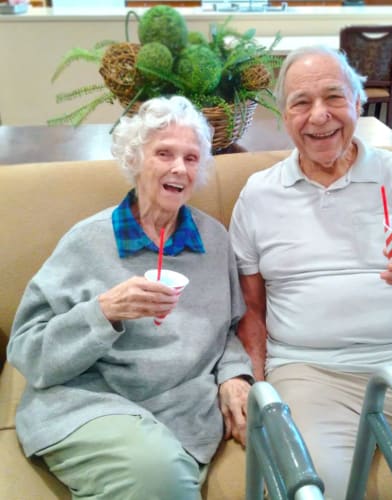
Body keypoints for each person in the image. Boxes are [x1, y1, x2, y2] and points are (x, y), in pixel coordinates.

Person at [229, 45, 392, 498]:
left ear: (358, 103)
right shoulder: (258, 195)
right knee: (312, 488)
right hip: (315, 375)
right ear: (284, 115)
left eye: (334, 98)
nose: (319, 117)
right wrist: (256, 389)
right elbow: (251, 310)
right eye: (301, 102)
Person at [8, 96, 253, 500]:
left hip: (182, 407)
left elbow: (227, 328)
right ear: (135, 159)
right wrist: (103, 312)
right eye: (164, 153)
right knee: (160, 477)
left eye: (191, 158)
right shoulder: (88, 242)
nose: (179, 168)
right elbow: (28, 351)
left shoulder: (213, 241)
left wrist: (234, 376)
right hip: (90, 401)